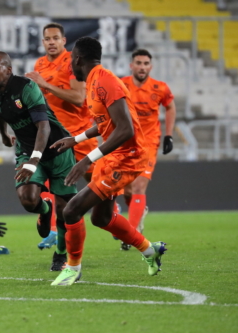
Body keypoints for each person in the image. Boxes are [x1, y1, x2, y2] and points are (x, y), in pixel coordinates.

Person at [49, 37, 167, 286]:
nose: (70, 65)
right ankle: (150, 251)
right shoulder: (94, 81)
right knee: (100, 218)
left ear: (78, 59)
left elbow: (125, 130)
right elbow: (105, 123)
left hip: (127, 158)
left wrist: (87, 160)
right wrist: (76, 139)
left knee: (72, 210)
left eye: (71, 60)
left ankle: (73, 268)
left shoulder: (105, 81)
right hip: (113, 156)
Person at [0, 51, 77, 270]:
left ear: (9, 69)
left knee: (65, 211)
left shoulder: (26, 88)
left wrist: (34, 161)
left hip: (57, 149)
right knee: (27, 199)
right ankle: (44, 210)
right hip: (27, 150)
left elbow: (43, 126)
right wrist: (3, 135)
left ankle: (61, 254)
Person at [25, 22, 98, 268]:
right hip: (58, 141)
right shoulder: (39, 65)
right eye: (47, 39)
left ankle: (116, 218)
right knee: (63, 201)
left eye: (56, 38)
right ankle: (61, 252)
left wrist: (44, 84)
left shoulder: (73, 62)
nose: (52, 42)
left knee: (101, 196)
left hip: (81, 136)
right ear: (43, 42)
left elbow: (79, 98)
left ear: (64, 41)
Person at [117, 49, 176, 251]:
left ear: (150, 67)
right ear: (131, 66)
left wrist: (169, 135)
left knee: (140, 186)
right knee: (127, 189)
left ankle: (130, 233)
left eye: (146, 63)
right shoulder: (121, 84)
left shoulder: (160, 88)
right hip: (126, 142)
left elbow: (170, 106)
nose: (142, 67)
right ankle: (137, 214)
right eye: (138, 63)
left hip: (149, 143)